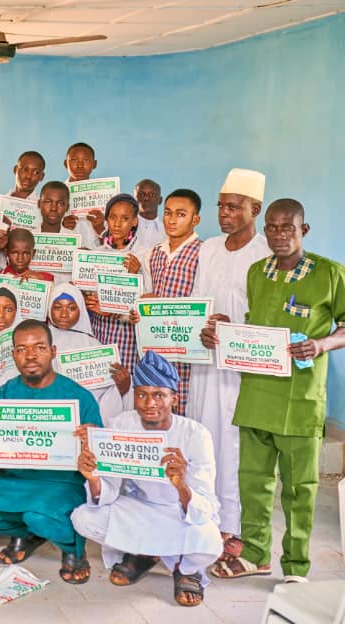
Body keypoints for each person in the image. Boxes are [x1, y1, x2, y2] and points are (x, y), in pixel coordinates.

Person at [209, 199, 345, 583]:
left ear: (304, 230)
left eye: (288, 227)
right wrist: (225, 329)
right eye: (272, 227)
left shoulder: (330, 274)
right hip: (255, 394)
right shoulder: (258, 273)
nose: (280, 234)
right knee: (253, 481)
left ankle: (296, 565)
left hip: (299, 399)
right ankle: (254, 553)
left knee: (300, 487)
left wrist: (321, 345)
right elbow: (256, 327)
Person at [0, 320, 103, 585]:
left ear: (53, 351)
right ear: (14, 355)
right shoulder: (5, 394)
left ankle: (73, 550)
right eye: (22, 349)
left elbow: (100, 460)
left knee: (40, 514)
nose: (31, 355)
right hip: (15, 481)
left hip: (62, 485)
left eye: (39, 347)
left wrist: (92, 440)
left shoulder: (79, 397)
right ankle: (29, 532)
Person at [72, 350, 221, 607]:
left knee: (210, 541)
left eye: (159, 395)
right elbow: (108, 490)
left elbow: (205, 505)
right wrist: (92, 477)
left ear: (174, 397)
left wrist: (181, 484)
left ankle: (185, 569)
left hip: (177, 513)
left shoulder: (196, 434)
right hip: (137, 509)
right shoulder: (120, 425)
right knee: (82, 518)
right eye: (142, 394)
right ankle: (144, 553)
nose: (150, 403)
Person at [189, 168, 269, 552]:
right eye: (221, 206)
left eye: (234, 207)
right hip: (204, 361)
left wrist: (231, 327)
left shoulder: (266, 254)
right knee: (204, 436)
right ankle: (203, 512)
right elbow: (197, 302)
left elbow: (267, 317)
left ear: (256, 208)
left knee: (234, 443)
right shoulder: (208, 248)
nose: (225, 213)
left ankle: (233, 525)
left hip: (241, 368)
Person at [138, 188, 203, 415]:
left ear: (196, 219)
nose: (172, 220)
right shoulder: (153, 254)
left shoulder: (203, 253)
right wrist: (142, 309)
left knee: (185, 409)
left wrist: (162, 303)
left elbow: (204, 301)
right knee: (156, 409)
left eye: (181, 214)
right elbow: (146, 294)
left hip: (189, 349)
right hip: (157, 347)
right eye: (167, 213)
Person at [85, 193, 150, 375]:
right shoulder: (97, 254)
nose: (117, 224)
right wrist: (88, 298)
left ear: (135, 221)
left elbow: (147, 300)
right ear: (106, 219)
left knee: (126, 385)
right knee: (101, 380)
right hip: (99, 331)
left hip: (128, 336)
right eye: (112, 217)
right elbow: (89, 293)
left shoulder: (144, 255)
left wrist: (133, 275)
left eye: (125, 218)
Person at [48, 284, 129, 418]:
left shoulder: (95, 347)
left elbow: (103, 398)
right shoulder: (41, 342)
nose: (64, 314)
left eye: (71, 308)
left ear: (81, 310)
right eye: (57, 307)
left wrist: (122, 387)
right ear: (49, 309)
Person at [62, 142, 104, 246]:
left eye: (86, 160)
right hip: (66, 256)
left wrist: (101, 228)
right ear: (65, 163)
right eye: (74, 160)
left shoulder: (103, 194)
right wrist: (61, 225)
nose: (80, 165)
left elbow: (114, 239)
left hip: (94, 256)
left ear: (94, 164)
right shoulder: (54, 194)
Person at [135, 178, 166, 249]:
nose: (146, 198)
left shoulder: (167, 231)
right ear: (135, 199)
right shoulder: (125, 227)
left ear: (160, 200)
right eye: (142, 194)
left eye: (152, 194)